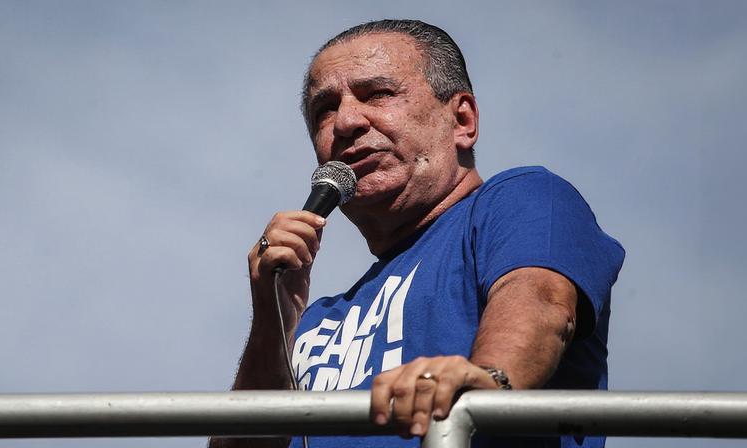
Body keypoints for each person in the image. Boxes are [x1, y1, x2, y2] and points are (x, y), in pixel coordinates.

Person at [210, 19, 624, 448]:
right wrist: (272, 318)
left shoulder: (520, 199)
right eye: (325, 110)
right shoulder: (316, 322)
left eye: (379, 94)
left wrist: (488, 381)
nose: (347, 121)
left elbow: (539, 299)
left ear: (462, 119)